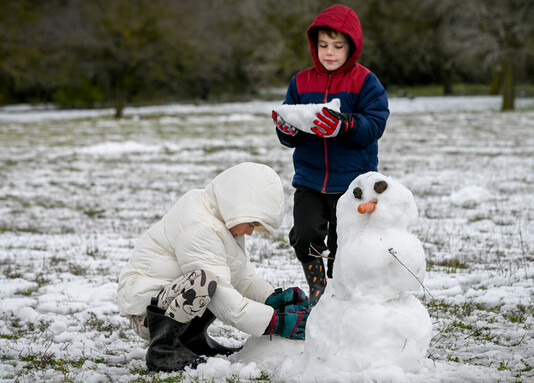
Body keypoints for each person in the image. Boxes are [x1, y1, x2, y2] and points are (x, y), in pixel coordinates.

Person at [117, 162, 310, 372]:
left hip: (172, 298)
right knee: (205, 283)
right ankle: (163, 351)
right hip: (148, 315)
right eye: (252, 224)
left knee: (214, 280)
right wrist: (275, 322)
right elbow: (223, 296)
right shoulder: (199, 225)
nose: (250, 232)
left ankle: (191, 341)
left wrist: (272, 298)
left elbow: (241, 278)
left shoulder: (223, 220)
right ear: (239, 206)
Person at [272, 4, 390, 306]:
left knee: (344, 243)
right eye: (323, 45)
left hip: (351, 181)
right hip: (310, 178)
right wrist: (287, 127)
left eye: (338, 46)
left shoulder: (365, 81)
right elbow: (291, 136)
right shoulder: (300, 82)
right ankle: (318, 286)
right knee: (303, 233)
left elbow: (374, 125)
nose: (329, 52)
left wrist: (345, 124)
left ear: (352, 46)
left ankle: (340, 293)